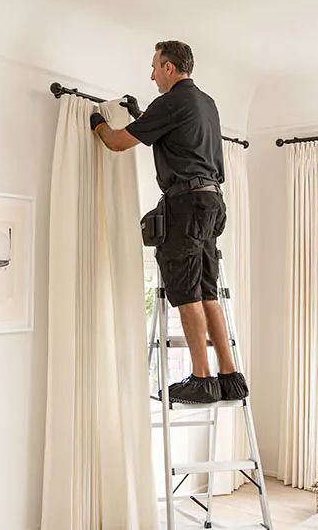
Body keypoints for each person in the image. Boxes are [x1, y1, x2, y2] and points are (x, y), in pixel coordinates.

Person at [89, 40, 248, 405]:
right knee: (207, 290)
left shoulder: (171, 102)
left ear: (169, 68)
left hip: (186, 204)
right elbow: (178, 136)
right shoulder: (205, 103)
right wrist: (142, 116)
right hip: (212, 202)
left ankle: (201, 378)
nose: (152, 75)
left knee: (186, 290)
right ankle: (229, 377)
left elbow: (116, 143)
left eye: (154, 67)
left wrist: (97, 122)